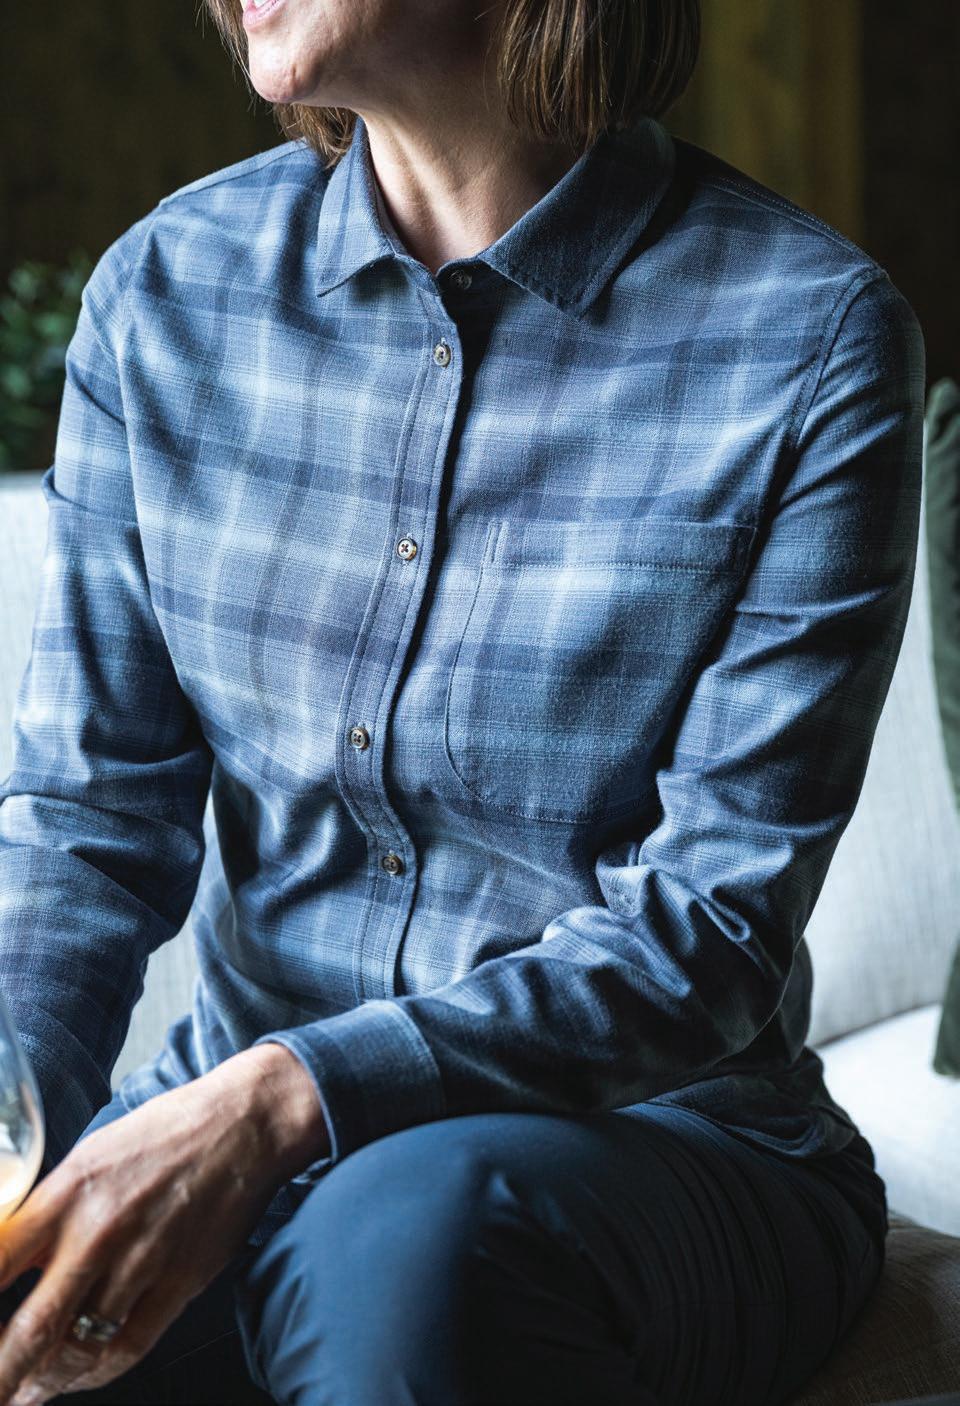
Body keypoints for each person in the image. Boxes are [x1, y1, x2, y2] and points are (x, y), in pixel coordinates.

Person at [0, 0, 925, 1401]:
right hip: (237, 1124)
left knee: (395, 1246)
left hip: (661, 1144)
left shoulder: (811, 336)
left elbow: (710, 932)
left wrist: (288, 1096)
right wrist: (14, 1140)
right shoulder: (165, 295)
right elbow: (88, 824)